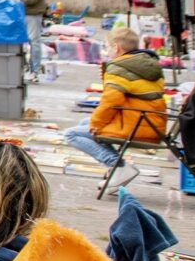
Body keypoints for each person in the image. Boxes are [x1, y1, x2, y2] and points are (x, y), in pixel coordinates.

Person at [62, 26, 164, 190]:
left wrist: (96, 124)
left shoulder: (120, 68)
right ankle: (117, 168)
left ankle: (118, 166)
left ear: (116, 48)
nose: (107, 52)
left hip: (136, 127)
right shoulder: (148, 65)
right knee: (84, 122)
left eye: (107, 47)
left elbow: (111, 102)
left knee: (71, 134)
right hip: (151, 123)